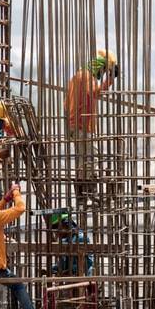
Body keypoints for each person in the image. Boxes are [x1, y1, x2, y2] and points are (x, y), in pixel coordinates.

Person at [65, 49, 119, 203]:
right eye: (104, 71)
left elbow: (68, 102)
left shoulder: (77, 76)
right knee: (91, 158)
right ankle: (90, 191)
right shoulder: (87, 77)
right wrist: (109, 80)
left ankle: (81, 195)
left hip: (74, 125)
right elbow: (95, 92)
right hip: (83, 125)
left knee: (82, 160)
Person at [47, 212, 94, 276]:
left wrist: (70, 270)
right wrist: (52, 269)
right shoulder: (65, 240)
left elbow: (87, 264)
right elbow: (63, 264)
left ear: (66, 225)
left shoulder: (80, 238)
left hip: (81, 278)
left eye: (57, 228)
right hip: (69, 279)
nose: (56, 233)